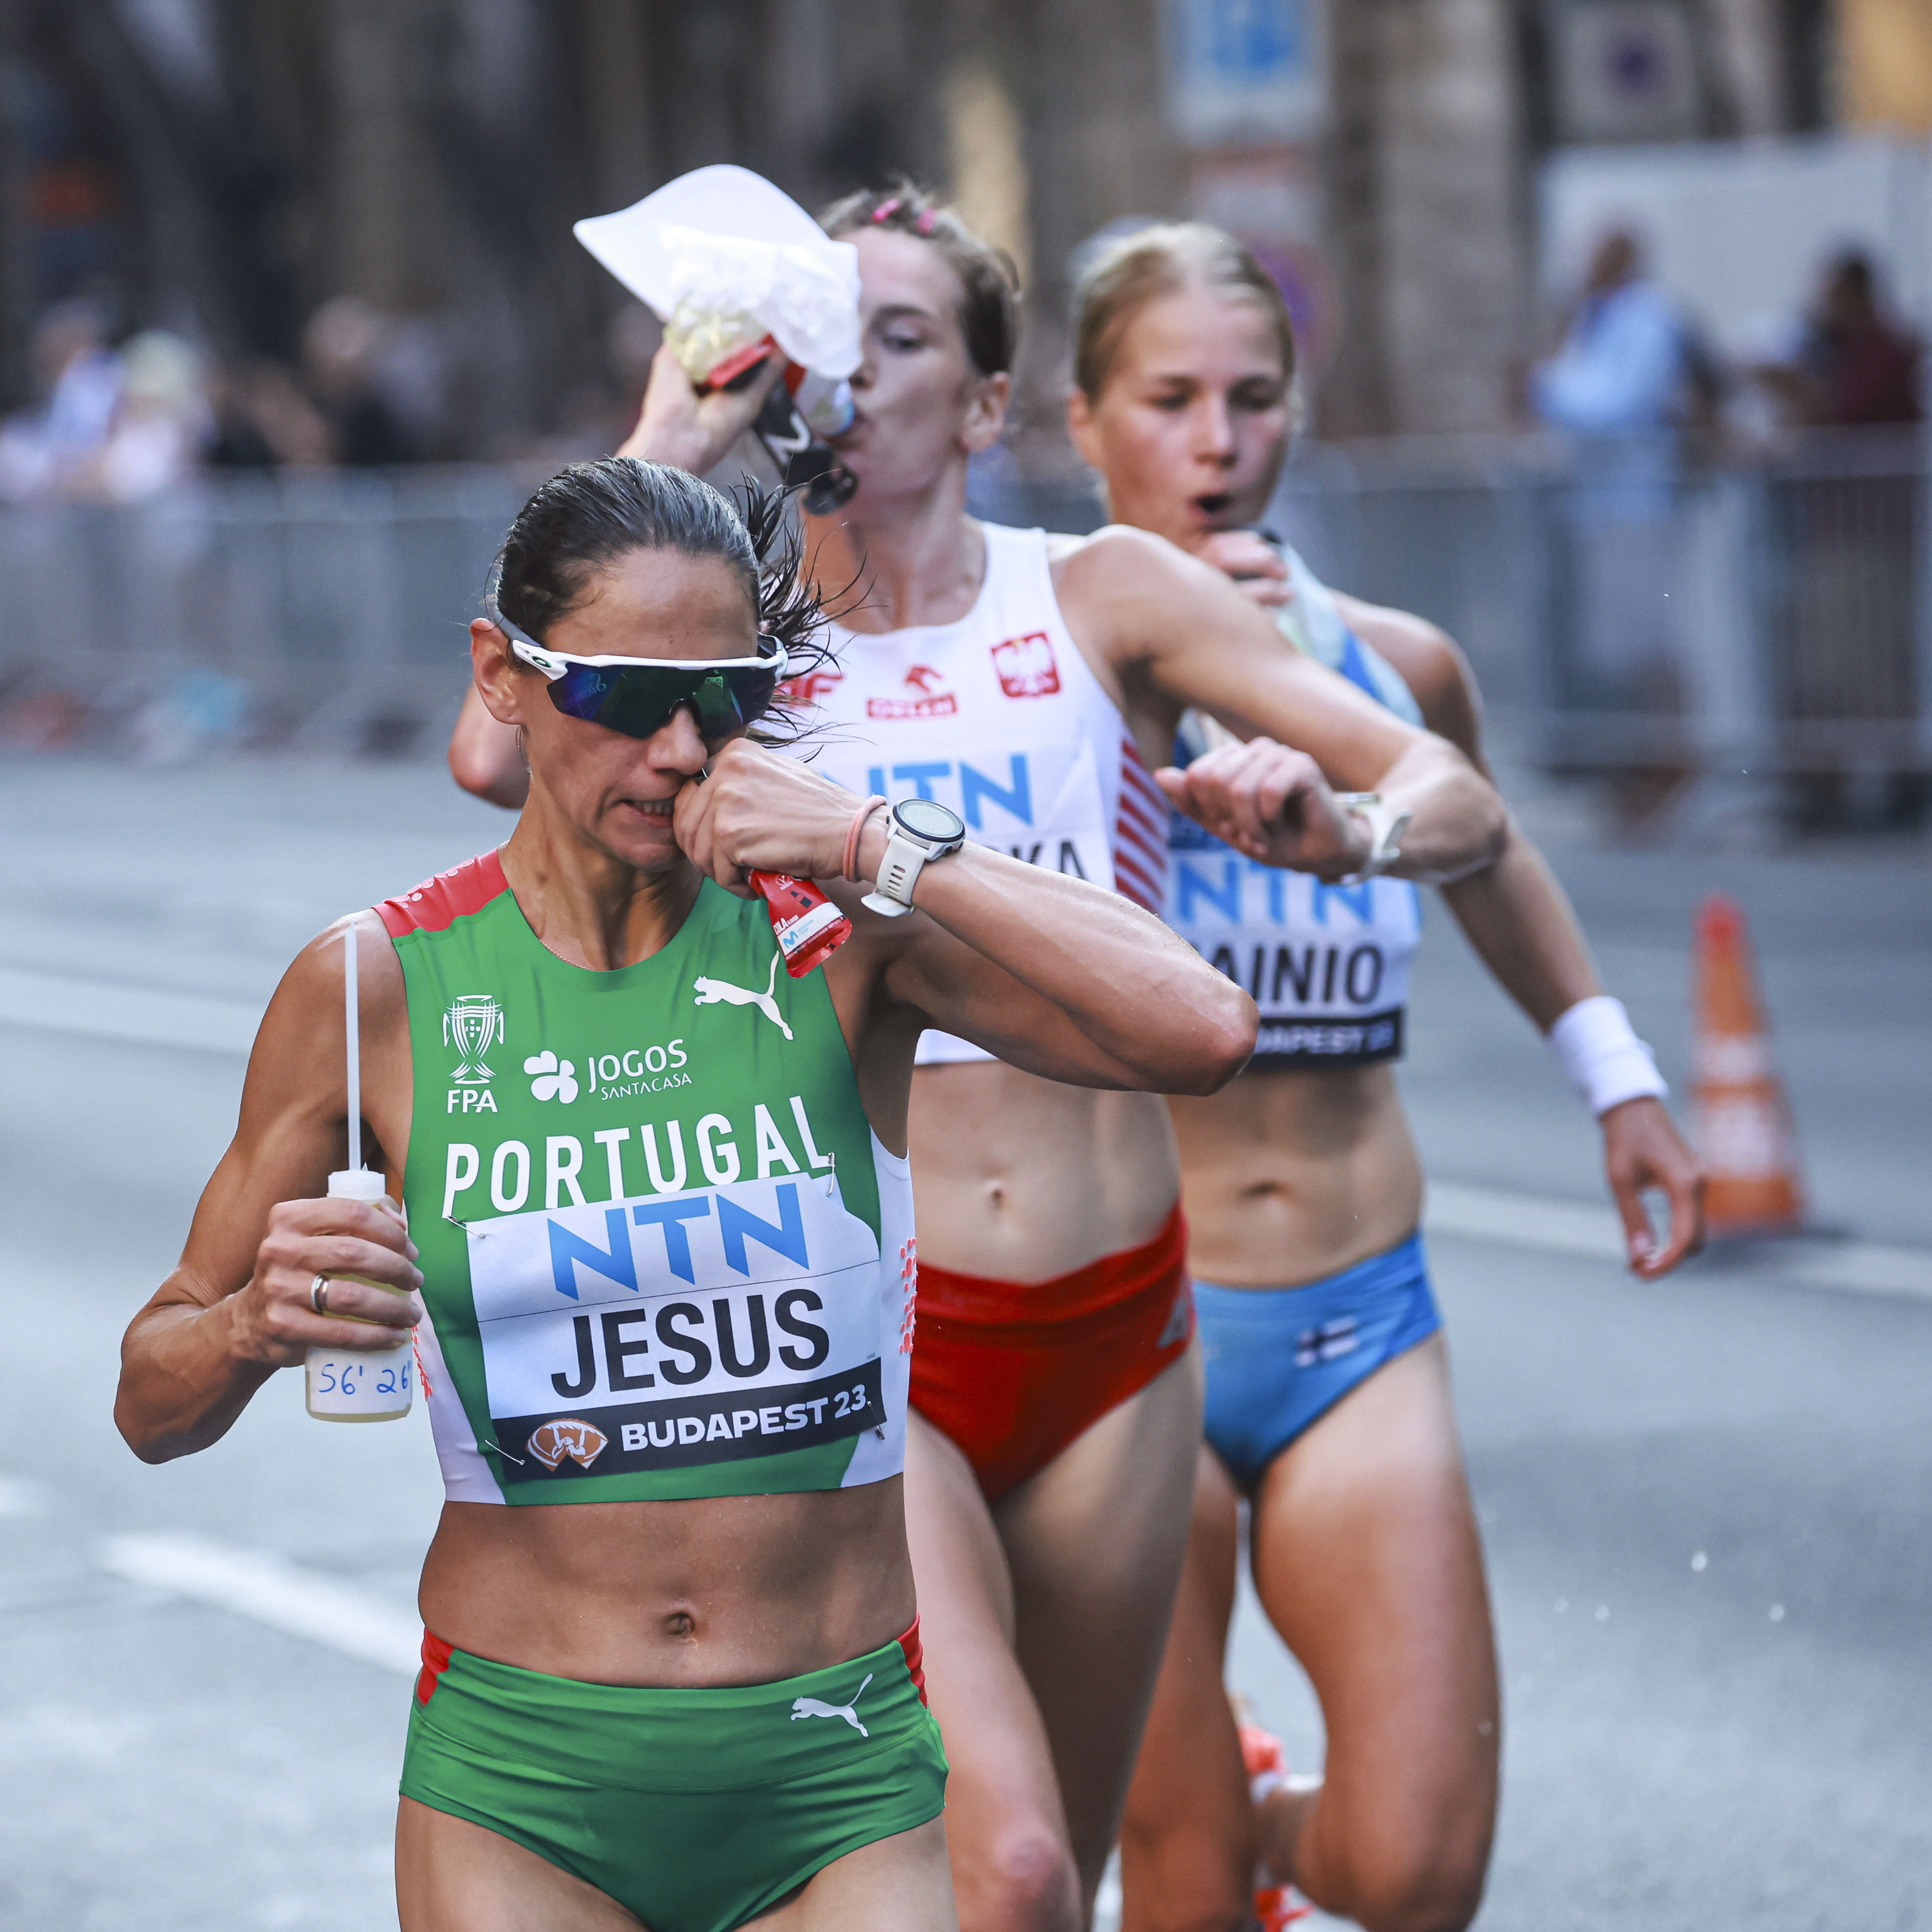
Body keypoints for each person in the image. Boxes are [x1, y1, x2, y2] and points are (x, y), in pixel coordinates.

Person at [447, 185, 1508, 1932]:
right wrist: (664, 436)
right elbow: (495, 761)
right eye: (822, 332)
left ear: (989, 401)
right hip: (894, 1345)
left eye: (901, 335)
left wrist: (1353, 832)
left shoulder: (1100, 590)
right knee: (1000, 1878)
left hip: (1120, 1322)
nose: (849, 372)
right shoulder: (736, 646)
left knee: (1072, 1881)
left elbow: (1455, 796)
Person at [114, 456, 1258, 1932]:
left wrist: (875, 841)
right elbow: (152, 1403)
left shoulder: (840, 940)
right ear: (501, 675)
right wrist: (249, 1325)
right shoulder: (373, 992)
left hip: (835, 1775)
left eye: (719, 698)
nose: (672, 747)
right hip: (523, 1788)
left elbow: (1203, 1032)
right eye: (618, 695)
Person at [1064, 222, 1706, 1932]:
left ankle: (1270, 1821)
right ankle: (1218, 1839)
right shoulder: (1034, 675)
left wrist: (1616, 1075)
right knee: (1174, 1897)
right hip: (1140, 1331)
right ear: (1080, 422)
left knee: (1418, 1868)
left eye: (1254, 398)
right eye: (1170, 398)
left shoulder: (1393, 668)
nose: (1217, 442)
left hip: (1362, 1303)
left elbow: (1483, 857)